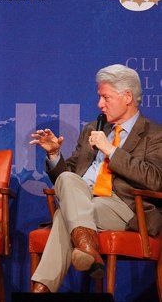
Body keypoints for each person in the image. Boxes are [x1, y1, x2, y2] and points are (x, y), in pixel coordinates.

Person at [29, 64, 162, 293]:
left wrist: (110, 150)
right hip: (85, 201)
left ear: (127, 96)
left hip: (124, 208)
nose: (100, 104)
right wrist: (53, 154)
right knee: (69, 182)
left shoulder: (154, 134)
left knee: (64, 214)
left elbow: (155, 179)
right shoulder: (93, 128)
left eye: (105, 97)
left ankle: (40, 290)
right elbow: (67, 178)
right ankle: (87, 245)